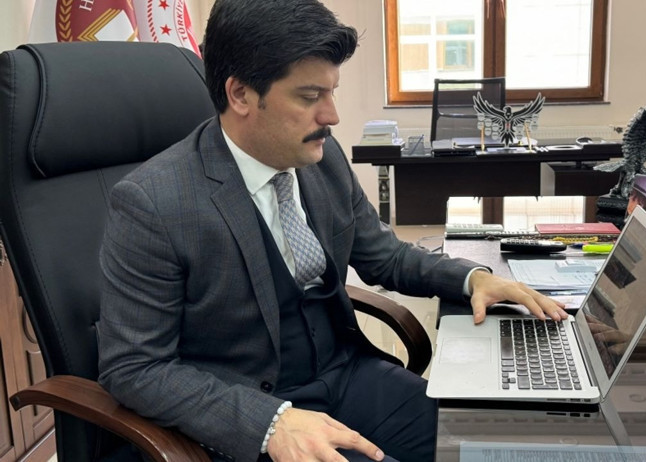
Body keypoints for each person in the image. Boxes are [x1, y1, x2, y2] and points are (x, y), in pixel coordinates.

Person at [96, 1, 567, 461]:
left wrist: (471, 278)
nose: (331, 116)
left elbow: (385, 256)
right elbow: (134, 367)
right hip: (247, 410)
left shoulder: (322, 158)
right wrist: (269, 423)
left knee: (496, 444)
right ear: (240, 95)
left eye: (332, 91)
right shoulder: (153, 202)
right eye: (309, 97)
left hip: (345, 374)